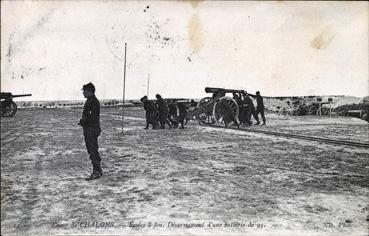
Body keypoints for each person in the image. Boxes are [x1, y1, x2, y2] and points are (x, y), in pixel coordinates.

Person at [78, 82, 102, 180]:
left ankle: (96, 171)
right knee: (93, 149)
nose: (83, 93)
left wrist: (83, 121)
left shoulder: (93, 101)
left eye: (84, 91)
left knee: (92, 150)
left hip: (91, 129)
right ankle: (98, 170)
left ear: (89, 91)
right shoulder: (90, 100)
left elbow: (92, 117)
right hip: (91, 128)